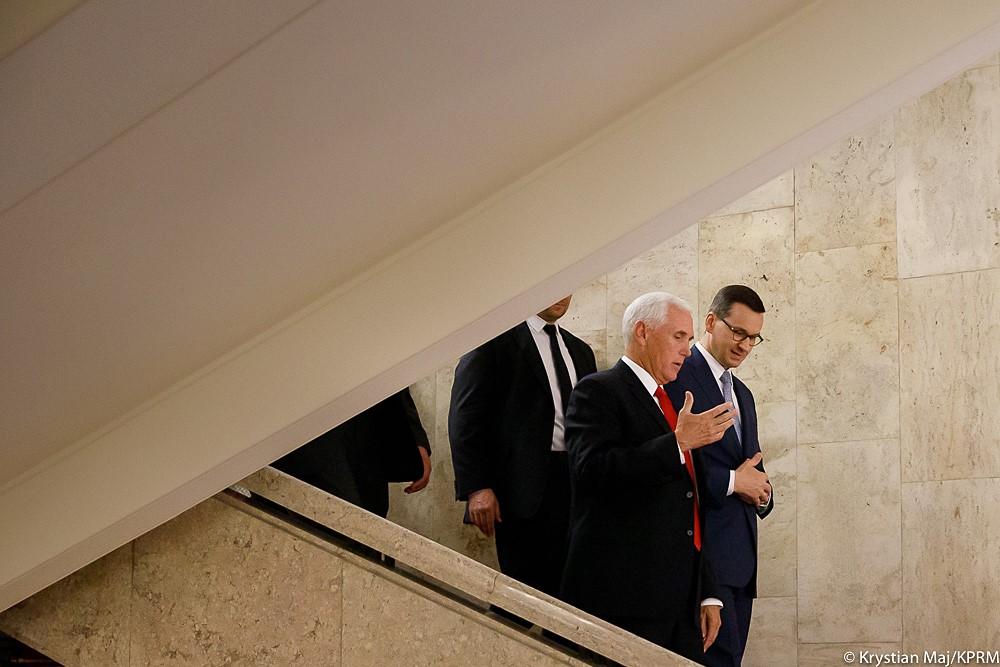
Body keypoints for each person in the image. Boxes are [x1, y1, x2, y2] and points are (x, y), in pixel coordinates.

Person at [560, 292, 733, 663]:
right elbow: (592, 471)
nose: (687, 350)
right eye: (678, 336)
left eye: (689, 339)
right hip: (623, 601)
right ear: (642, 332)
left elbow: (690, 503)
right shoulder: (598, 391)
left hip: (682, 603)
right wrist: (676, 444)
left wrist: (707, 591)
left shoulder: (673, 402)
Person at [448, 296, 597, 601]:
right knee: (523, 597)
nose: (561, 296)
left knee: (569, 595)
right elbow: (466, 418)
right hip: (521, 492)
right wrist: (477, 487)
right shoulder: (494, 341)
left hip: (575, 486)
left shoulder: (580, 351)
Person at [665, 285, 773, 667]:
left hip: (742, 565)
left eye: (754, 338)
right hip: (702, 561)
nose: (745, 345)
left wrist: (763, 491)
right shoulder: (676, 377)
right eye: (738, 332)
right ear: (711, 322)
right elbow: (671, 465)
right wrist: (733, 481)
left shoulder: (743, 394)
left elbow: (753, 467)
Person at [272, 387, 431, 518]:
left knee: (369, 514)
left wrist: (418, 441)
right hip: (302, 429)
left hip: (364, 431)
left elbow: (392, 376)